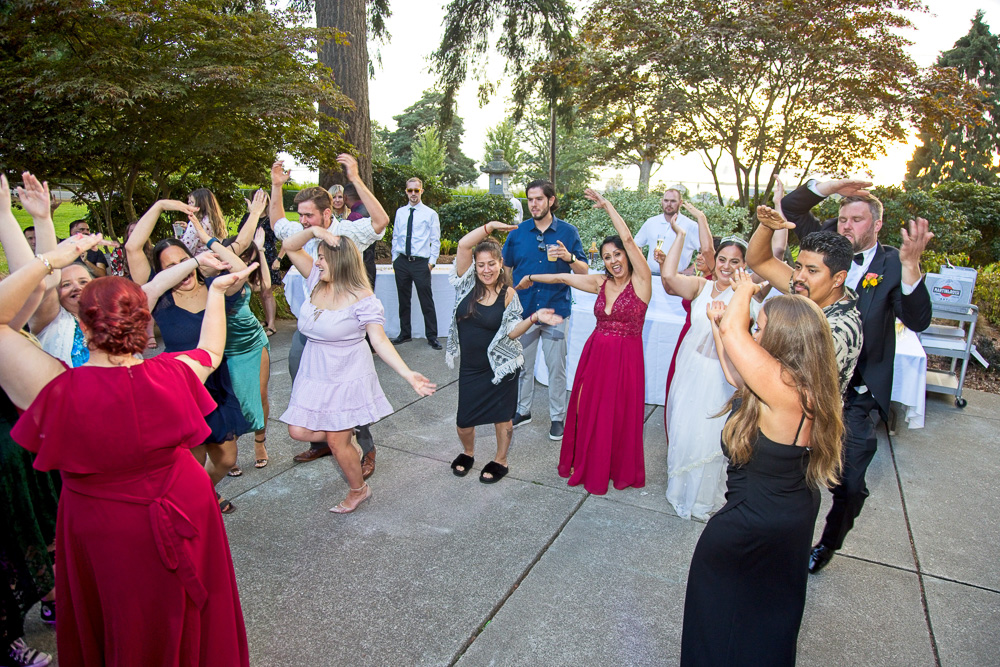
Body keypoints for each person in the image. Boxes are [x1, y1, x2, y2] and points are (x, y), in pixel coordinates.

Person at [1, 234, 253, 667]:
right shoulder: (175, 373)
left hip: (103, 520)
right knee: (190, 608)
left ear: (83, 326)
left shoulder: (56, 387)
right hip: (185, 503)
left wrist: (49, 262)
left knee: (124, 616)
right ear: (144, 325)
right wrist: (214, 293)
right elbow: (211, 350)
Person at [680, 275, 844, 667]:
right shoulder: (806, 385)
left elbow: (740, 334)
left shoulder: (784, 388)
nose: (753, 333)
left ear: (784, 338)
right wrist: (722, 330)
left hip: (751, 523)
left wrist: (745, 291)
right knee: (765, 619)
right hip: (789, 515)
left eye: (761, 327)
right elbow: (737, 374)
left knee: (717, 619)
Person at [779, 178, 933, 574]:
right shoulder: (826, 244)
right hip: (806, 383)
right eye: (843, 218)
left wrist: (912, 269)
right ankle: (781, 538)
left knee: (848, 484)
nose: (846, 226)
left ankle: (827, 545)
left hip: (857, 396)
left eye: (857, 220)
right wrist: (826, 187)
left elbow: (917, 319)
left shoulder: (893, 264)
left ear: (876, 225)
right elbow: (793, 209)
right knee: (790, 468)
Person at [278, 228, 435, 513]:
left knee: (337, 444)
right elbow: (289, 246)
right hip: (314, 372)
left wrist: (407, 373)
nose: (317, 262)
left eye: (323, 257)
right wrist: (314, 231)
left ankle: (358, 489)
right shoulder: (315, 279)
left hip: (345, 374)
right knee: (298, 430)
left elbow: (379, 339)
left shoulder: (363, 298)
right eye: (318, 257)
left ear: (341, 261)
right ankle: (347, 439)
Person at [516, 189, 652, 493]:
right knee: (588, 411)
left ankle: (615, 467)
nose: (614, 260)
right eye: (607, 257)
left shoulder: (642, 282)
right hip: (596, 356)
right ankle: (590, 462)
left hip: (625, 361)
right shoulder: (600, 282)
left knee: (618, 415)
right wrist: (531, 279)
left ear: (627, 256)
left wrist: (607, 206)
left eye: (617, 255)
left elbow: (628, 239)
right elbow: (563, 278)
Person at [127, 198, 252, 514]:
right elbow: (132, 248)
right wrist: (158, 206)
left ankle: (203, 492)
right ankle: (190, 503)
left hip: (217, 384)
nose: (180, 269)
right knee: (192, 460)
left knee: (226, 458)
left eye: (183, 260)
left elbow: (239, 269)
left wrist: (207, 243)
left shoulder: (216, 286)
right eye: (170, 266)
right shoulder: (159, 299)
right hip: (181, 386)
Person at [269, 155, 389, 474]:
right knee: (304, 384)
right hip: (309, 327)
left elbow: (380, 221)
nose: (303, 221)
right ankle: (323, 442)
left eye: (309, 215)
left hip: (342, 331)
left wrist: (356, 177)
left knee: (348, 394)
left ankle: (365, 448)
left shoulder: (348, 232)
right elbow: (278, 224)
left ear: (326, 213)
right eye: (301, 215)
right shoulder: (302, 232)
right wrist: (276, 186)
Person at [656, 225, 762, 520]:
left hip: (722, 375)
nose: (727, 267)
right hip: (690, 368)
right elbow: (668, 277)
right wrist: (679, 236)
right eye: (723, 260)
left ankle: (704, 499)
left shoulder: (748, 295)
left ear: (744, 265)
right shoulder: (701, 287)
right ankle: (682, 491)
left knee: (712, 436)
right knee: (685, 428)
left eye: (735, 261)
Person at [445, 221, 562, 483]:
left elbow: (510, 332)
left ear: (500, 264)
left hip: (500, 366)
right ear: (475, 265)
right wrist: (490, 227)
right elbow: (464, 244)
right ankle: (469, 452)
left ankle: (501, 459)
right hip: (471, 368)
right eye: (481, 264)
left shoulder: (508, 294)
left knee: (503, 420)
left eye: (491, 264)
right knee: (464, 421)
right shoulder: (466, 285)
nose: (486, 270)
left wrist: (533, 318)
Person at [187, 191, 272, 475]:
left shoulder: (232, 264)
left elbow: (243, 244)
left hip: (252, 339)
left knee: (259, 394)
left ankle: (260, 442)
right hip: (224, 347)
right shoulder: (202, 278)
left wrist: (254, 218)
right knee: (230, 399)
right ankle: (229, 449)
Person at [503, 179, 588, 440]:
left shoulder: (568, 232)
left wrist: (569, 258)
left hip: (556, 312)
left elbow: (584, 271)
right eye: (530, 199)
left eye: (539, 199)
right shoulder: (517, 233)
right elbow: (507, 269)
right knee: (524, 367)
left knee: (556, 368)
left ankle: (557, 417)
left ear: (551, 200)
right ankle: (523, 410)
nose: (534, 204)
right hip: (525, 312)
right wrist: (510, 299)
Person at [747, 207, 863, 396]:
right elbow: (759, 261)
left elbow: (792, 391)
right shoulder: (813, 291)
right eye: (799, 267)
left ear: (838, 278)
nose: (799, 276)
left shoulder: (837, 329)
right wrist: (766, 227)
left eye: (812, 270)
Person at [4, 173, 90, 367]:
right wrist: (42, 219)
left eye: (84, 282)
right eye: (66, 284)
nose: (76, 287)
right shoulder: (53, 321)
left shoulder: (112, 320)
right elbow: (40, 284)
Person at [390, 177, 442, 350]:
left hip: (421, 263)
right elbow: (396, 235)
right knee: (403, 300)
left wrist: (431, 263)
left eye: (416, 190)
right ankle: (405, 334)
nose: (413, 193)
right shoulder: (400, 212)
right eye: (410, 190)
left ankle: (432, 336)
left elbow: (435, 240)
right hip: (402, 262)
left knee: (426, 300)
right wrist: (394, 258)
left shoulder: (430, 214)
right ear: (406, 191)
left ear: (421, 191)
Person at [633, 189, 712, 276]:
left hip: (677, 279)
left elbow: (706, 250)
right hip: (652, 278)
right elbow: (636, 245)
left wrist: (692, 269)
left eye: (673, 201)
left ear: (680, 202)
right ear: (662, 201)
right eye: (666, 200)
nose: (669, 204)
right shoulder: (651, 222)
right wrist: (641, 267)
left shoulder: (690, 225)